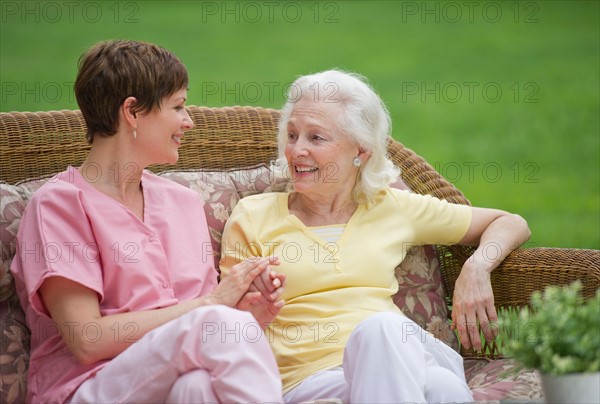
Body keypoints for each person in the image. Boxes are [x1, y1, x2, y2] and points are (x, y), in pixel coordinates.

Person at [220, 69, 531, 403]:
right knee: (442, 387)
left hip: (405, 350)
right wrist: (253, 305)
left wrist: (477, 267)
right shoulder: (253, 216)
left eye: (316, 138)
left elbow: (510, 222)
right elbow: (230, 320)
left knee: (382, 331)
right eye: (292, 135)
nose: (297, 150)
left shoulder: (390, 206)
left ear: (361, 151)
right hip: (310, 379)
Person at [10, 40, 286, 404]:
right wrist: (212, 309)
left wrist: (247, 314)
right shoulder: (59, 207)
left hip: (171, 384)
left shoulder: (183, 203)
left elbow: (197, 325)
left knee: (198, 388)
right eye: (178, 106)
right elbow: (87, 340)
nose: (188, 121)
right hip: (89, 387)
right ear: (132, 112)